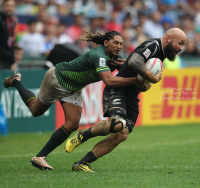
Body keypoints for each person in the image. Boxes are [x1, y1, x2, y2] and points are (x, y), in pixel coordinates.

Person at [3, 30, 160, 170]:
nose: (119, 46)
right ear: (106, 43)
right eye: (115, 43)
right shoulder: (98, 55)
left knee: (72, 124)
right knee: (35, 110)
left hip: (73, 88)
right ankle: (16, 81)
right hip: (57, 79)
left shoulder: (113, 58)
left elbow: (128, 66)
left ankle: (39, 157)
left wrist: (145, 77)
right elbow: (110, 81)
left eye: (121, 43)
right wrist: (136, 80)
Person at [65, 27, 187, 172]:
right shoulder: (154, 45)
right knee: (117, 124)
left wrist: (145, 84)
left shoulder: (163, 53)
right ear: (168, 38)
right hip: (118, 89)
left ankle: (82, 163)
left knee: (122, 134)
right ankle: (82, 136)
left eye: (183, 45)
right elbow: (135, 61)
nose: (180, 48)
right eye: (180, 43)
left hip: (131, 94)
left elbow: (143, 80)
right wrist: (151, 77)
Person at [0, 0, 16, 70]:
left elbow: (11, 41)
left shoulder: (12, 21)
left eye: (11, 6)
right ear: (3, 7)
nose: (9, 8)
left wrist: (12, 62)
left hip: (8, 59)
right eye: (7, 6)